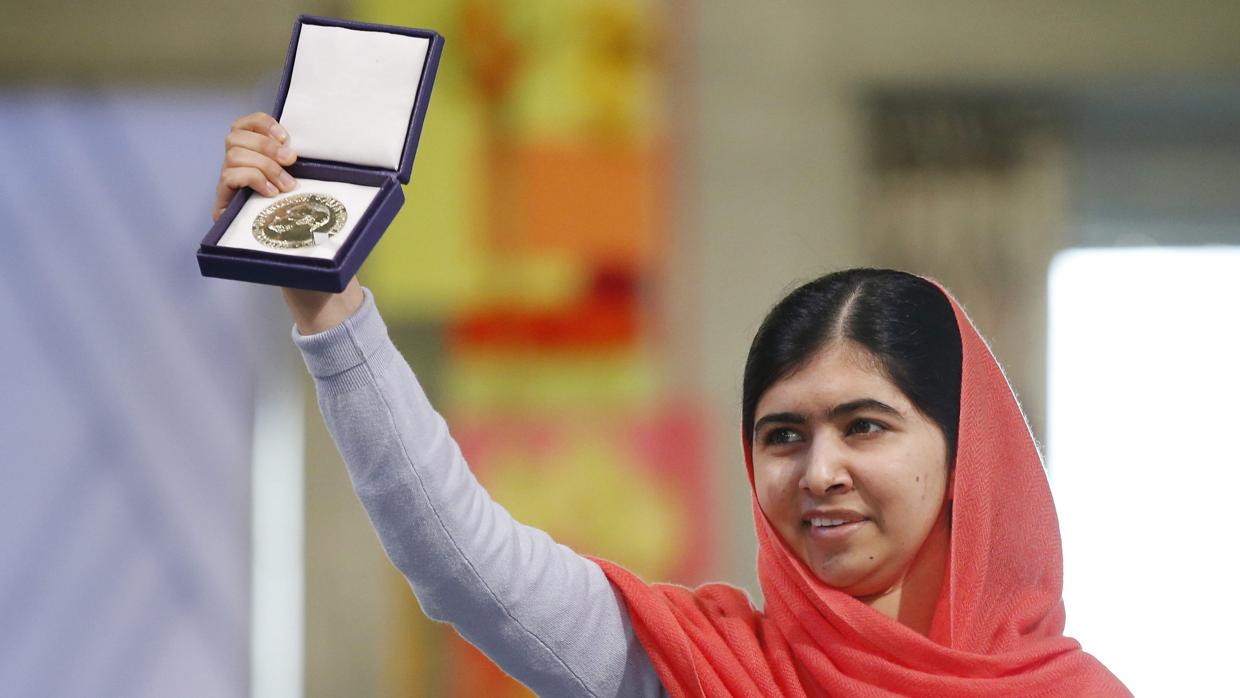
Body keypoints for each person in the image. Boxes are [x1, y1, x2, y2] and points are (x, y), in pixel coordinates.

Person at [215, 113, 1130, 697]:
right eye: (782, 435)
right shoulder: (696, 669)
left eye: (864, 425)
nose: (819, 472)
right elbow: (463, 564)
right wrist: (326, 305)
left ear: (966, 449)